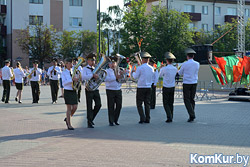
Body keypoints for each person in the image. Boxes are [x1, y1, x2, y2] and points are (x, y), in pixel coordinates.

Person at [178, 48, 200, 122]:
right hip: (194, 82)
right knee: (192, 99)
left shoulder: (185, 64)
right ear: (193, 56)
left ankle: (192, 114)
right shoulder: (197, 64)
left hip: (187, 83)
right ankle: (191, 114)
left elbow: (180, 73)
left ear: (187, 56)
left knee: (186, 99)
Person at [132, 52, 154, 124]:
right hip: (148, 87)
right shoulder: (152, 68)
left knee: (139, 104)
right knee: (147, 103)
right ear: (148, 60)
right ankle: (148, 118)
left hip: (141, 87)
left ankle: (142, 118)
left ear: (143, 60)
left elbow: (135, 77)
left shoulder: (140, 68)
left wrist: (133, 72)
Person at [82, 53, 102, 128]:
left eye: (94, 60)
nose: (93, 61)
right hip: (89, 89)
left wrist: (98, 77)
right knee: (89, 106)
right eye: (91, 60)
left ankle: (91, 118)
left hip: (95, 89)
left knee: (99, 104)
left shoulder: (96, 68)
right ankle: (89, 122)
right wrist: (92, 75)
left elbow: (100, 78)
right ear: (88, 61)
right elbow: (83, 77)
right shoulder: (85, 69)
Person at [159, 52, 177, 123]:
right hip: (172, 86)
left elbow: (160, 76)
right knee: (171, 102)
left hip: (166, 86)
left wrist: (160, 68)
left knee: (165, 102)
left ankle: (169, 116)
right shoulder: (175, 69)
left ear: (167, 60)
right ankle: (171, 116)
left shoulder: (164, 68)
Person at [105, 56, 123, 126]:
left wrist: (123, 74)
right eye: (111, 63)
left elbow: (123, 79)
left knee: (119, 105)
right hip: (110, 90)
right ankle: (111, 121)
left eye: (114, 63)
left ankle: (116, 119)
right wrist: (115, 77)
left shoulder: (118, 70)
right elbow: (106, 79)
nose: (113, 64)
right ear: (109, 64)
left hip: (118, 89)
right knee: (111, 106)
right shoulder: (106, 71)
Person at [61, 58, 78, 130]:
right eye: (70, 63)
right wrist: (72, 80)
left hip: (73, 90)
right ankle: (69, 124)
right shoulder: (64, 72)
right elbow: (64, 83)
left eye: (72, 63)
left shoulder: (74, 71)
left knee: (75, 107)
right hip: (67, 90)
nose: (71, 64)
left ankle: (67, 118)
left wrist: (77, 79)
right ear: (66, 64)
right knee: (69, 108)